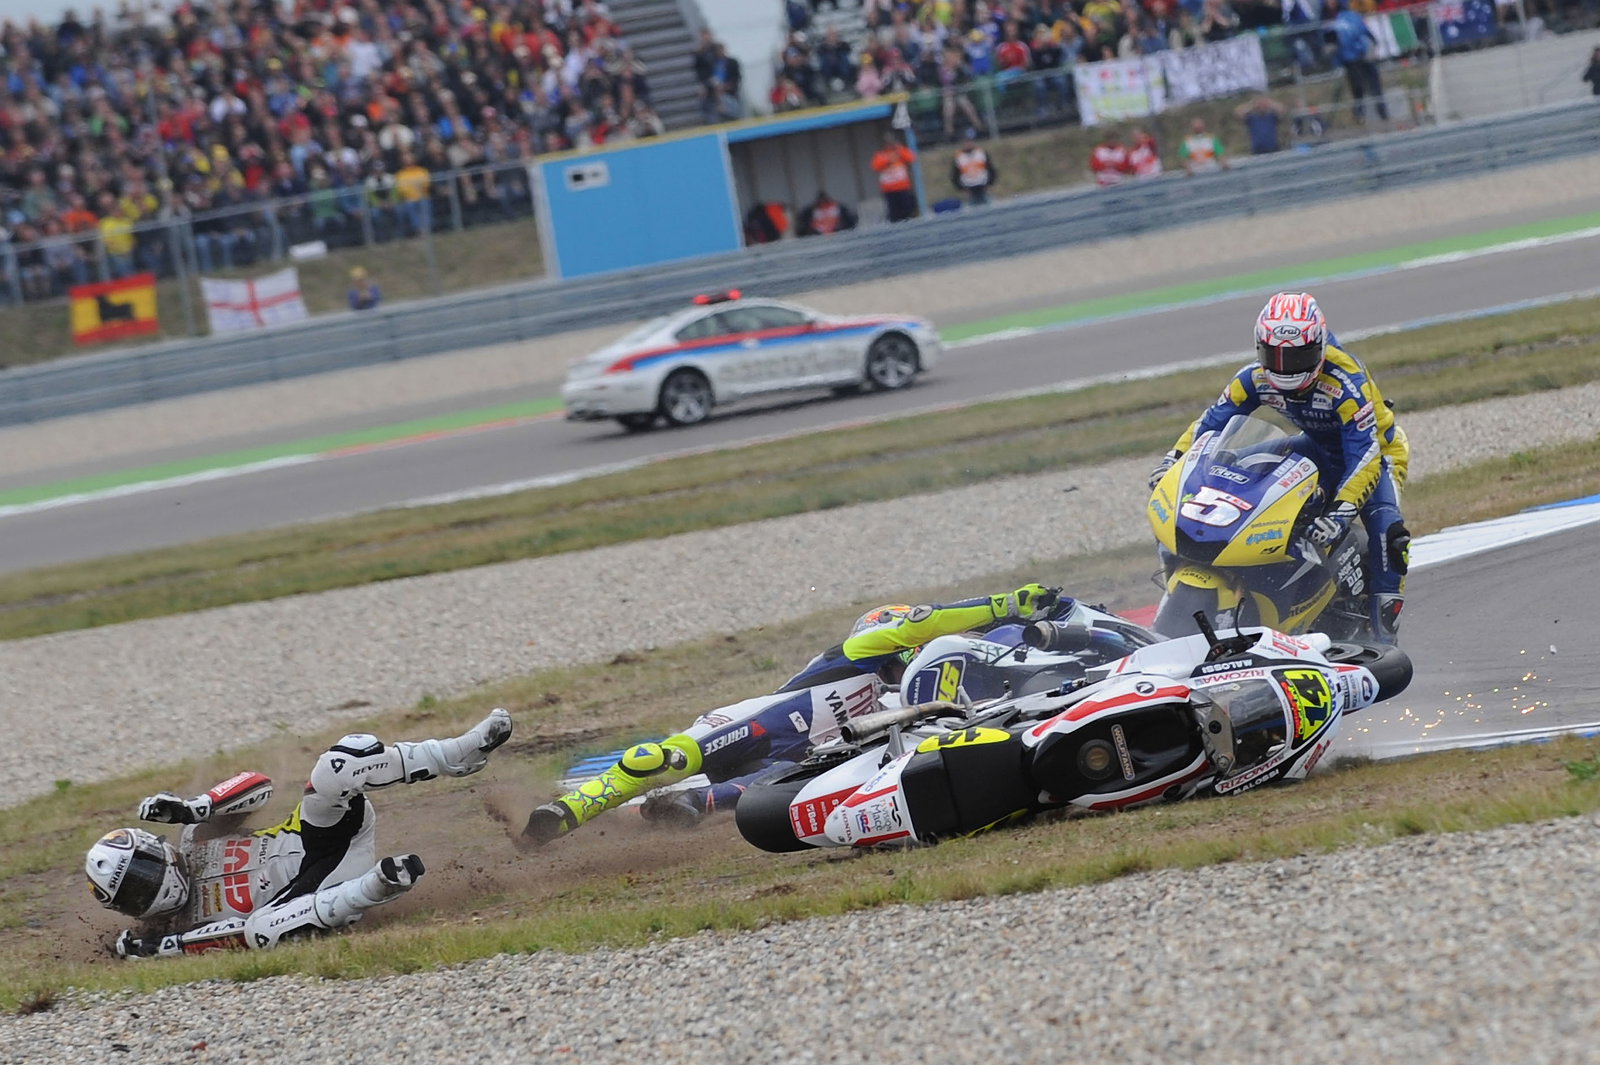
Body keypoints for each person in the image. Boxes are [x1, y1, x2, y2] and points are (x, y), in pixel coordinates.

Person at [520, 584, 1143, 844]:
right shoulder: (861, 651)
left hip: (809, 755)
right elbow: (937, 620)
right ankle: (569, 812)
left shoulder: (906, 696)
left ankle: (680, 809)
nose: (909, 647)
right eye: (901, 635)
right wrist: (1010, 601)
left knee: (770, 795)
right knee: (664, 756)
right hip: (768, 720)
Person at [87, 709, 513, 959]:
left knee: (338, 764)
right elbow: (228, 939)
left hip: (323, 840)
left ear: (156, 850)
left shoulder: (195, 835)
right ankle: (377, 886)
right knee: (258, 933)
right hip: (310, 899)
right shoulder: (163, 934)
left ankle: (459, 753)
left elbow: (259, 783)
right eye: (134, 893)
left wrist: (198, 806)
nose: (150, 889)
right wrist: (161, 947)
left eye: (144, 872)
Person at [1149, 293, 1411, 643]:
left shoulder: (1346, 382)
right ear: (1260, 348)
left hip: (1377, 454)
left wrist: (1340, 515)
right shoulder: (1252, 378)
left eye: (1298, 356)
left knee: (1388, 534)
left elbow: (1364, 454)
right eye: (1275, 356)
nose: (1286, 367)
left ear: (1318, 347)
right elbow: (1209, 426)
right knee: (1233, 469)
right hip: (1314, 445)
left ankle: (1384, 637)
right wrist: (1172, 462)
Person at [1331, 0, 1389, 123]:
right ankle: (1374, 112)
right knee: (1366, 86)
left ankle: (1371, 112)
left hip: (1354, 57)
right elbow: (1364, 32)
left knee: (1363, 87)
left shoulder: (1341, 20)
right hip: (1356, 57)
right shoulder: (1347, 19)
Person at [872, 131, 919, 223]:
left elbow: (911, 158)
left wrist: (899, 149)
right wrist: (888, 160)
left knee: (907, 210)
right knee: (894, 213)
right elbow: (876, 166)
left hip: (902, 188)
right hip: (889, 190)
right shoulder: (881, 155)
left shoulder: (900, 152)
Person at [951, 129, 998, 206]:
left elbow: (991, 169)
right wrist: (962, 189)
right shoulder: (959, 156)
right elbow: (955, 175)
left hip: (983, 188)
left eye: (970, 141)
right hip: (969, 190)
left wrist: (990, 184)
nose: (968, 143)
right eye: (966, 141)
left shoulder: (981, 153)